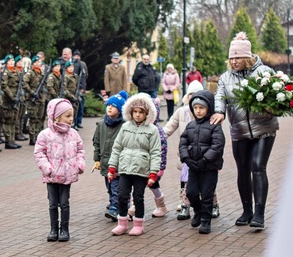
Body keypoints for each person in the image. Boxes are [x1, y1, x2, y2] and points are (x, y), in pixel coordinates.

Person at [211, 32, 276, 230]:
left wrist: (271, 107)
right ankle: (246, 210)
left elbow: (275, 94)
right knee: (243, 170)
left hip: (264, 127)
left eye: (238, 57)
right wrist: (220, 112)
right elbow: (220, 96)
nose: (234, 61)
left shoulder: (264, 72)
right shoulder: (225, 78)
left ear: (247, 57)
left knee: (258, 166)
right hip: (239, 130)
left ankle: (259, 213)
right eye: (231, 58)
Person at [108, 93, 161, 237]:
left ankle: (138, 224)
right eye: (135, 112)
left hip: (141, 169)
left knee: (138, 197)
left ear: (147, 114)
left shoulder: (152, 130)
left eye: (141, 112)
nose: (137, 115)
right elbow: (117, 147)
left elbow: (156, 152)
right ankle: (122, 223)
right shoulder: (125, 127)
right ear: (131, 112)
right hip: (125, 168)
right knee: (122, 195)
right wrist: (112, 167)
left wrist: (153, 173)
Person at [164, 80, 219, 221]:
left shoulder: (209, 116)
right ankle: (186, 205)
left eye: (196, 94)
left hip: (206, 158)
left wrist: (209, 157)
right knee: (187, 184)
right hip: (188, 155)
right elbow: (169, 127)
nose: (193, 97)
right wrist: (158, 137)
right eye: (190, 94)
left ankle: (213, 205)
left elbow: (216, 140)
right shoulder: (181, 112)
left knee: (207, 185)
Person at [34, 97, 85, 242]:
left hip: (67, 175)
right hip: (51, 175)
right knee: (52, 203)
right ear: (56, 117)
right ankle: (53, 229)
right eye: (67, 116)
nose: (70, 119)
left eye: (71, 116)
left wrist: (79, 165)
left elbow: (80, 150)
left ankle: (64, 229)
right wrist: (47, 168)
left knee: (64, 203)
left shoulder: (73, 133)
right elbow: (39, 153)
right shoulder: (45, 135)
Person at [179, 90, 225, 234]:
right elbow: (183, 142)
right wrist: (186, 159)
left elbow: (217, 146)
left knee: (207, 194)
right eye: (196, 108)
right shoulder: (190, 125)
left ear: (208, 108)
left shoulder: (214, 125)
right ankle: (198, 211)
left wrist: (205, 160)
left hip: (209, 167)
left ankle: (205, 220)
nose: (198, 111)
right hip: (193, 167)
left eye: (202, 108)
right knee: (191, 193)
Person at [93, 91, 127, 221]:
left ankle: (114, 207)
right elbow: (96, 142)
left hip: (118, 163)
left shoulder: (124, 125)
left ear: (120, 110)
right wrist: (97, 159)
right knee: (109, 186)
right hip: (105, 162)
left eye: (113, 106)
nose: (110, 108)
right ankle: (116, 203)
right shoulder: (101, 124)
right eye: (108, 105)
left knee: (115, 186)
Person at [72, 50, 88, 129]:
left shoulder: (83, 64)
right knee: (75, 107)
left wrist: (83, 87)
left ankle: (79, 122)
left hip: (82, 88)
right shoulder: (72, 64)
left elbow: (85, 75)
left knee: (81, 107)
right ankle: (74, 122)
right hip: (75, 88)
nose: (76, 57)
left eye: (78, 56)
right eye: (75, 56)